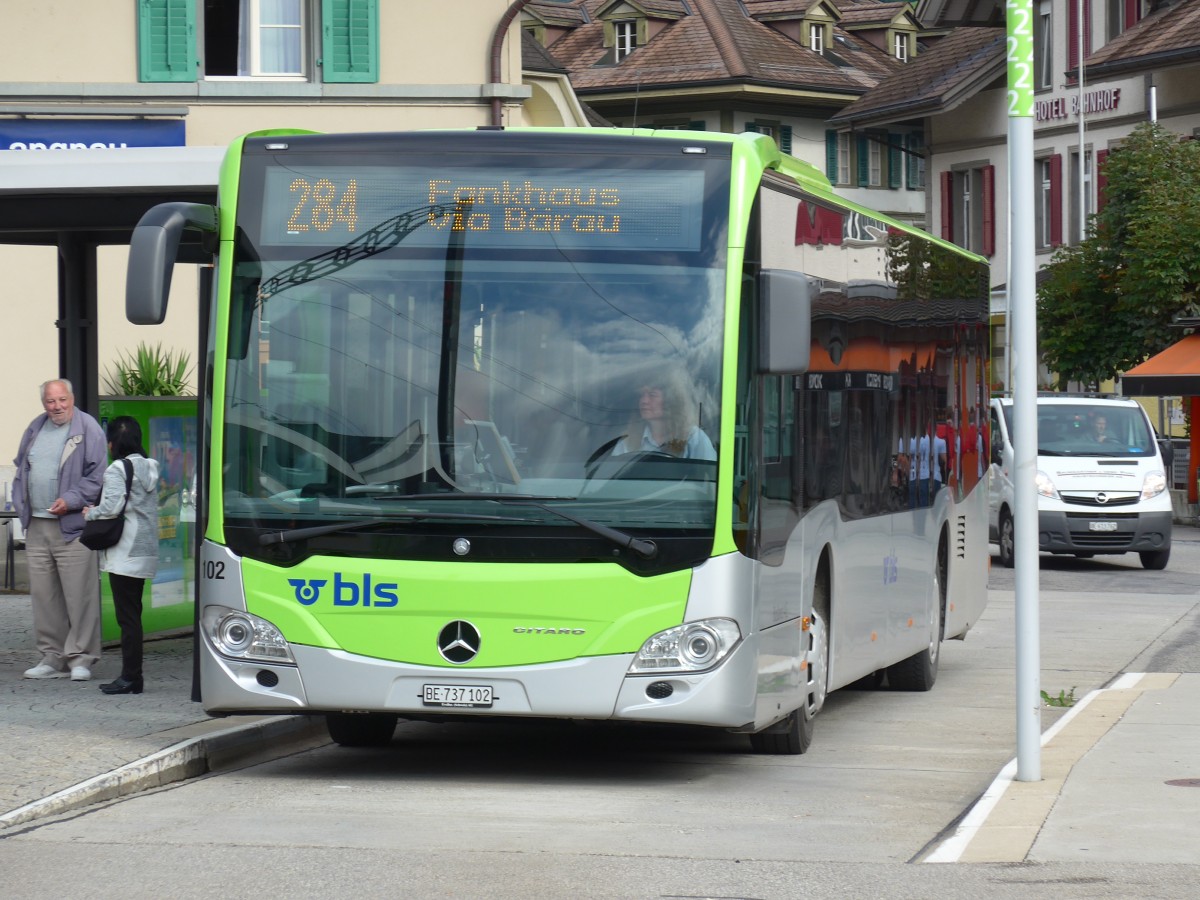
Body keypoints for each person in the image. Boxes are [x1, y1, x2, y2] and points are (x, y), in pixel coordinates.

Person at [13, 379, 108, 681]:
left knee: (80, 594)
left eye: (62, 400)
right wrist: (20, 504)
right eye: (51, 401)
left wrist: (70, 500)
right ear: (44, 403)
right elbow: (21, 469)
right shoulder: (35, 427)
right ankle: (51, 657)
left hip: (72, 526)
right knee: (44, 595)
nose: (57, 407)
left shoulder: (87, 428)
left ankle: (81, 657)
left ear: (72, 398)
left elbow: (97, 476)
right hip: (38, 525)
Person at [83, 417, 160, 695]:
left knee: (127, 618)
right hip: (145, 549)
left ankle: (130, 677)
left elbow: (111, 507)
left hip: (125, 551)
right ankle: (133, 677)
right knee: (133, 615)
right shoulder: (150, 467)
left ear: (113, 442)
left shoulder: (118, 468)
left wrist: (89, 513)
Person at [613, 368, 716, 461]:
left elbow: (708, 476)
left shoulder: (694, 438)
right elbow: (612, 476)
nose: (644, 401)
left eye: (652, 395)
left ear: (670, 400)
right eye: (641, 395)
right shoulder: (628, 440)